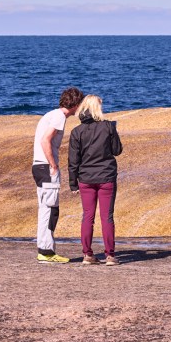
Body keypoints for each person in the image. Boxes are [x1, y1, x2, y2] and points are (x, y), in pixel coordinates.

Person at [68, 94, 123, 266]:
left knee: (87, 216)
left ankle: (87, 254)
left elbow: (73, 160)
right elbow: (117, 150)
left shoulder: (77, 131)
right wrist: (113, 132)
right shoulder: (108, 127)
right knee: (107, 217)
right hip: (106, 176)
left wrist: (72, 183)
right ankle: (110, 256)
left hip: (85, 178)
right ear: (98, 108)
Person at [32, 87, 84, 263]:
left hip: (38, 166)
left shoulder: (51, 114)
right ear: (75, 104)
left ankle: (45, 249)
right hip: (46, 167)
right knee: (50, 209)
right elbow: (45, 139)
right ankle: (46, 252)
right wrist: (53, 165)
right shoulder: (59, 117)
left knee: (45, 208)